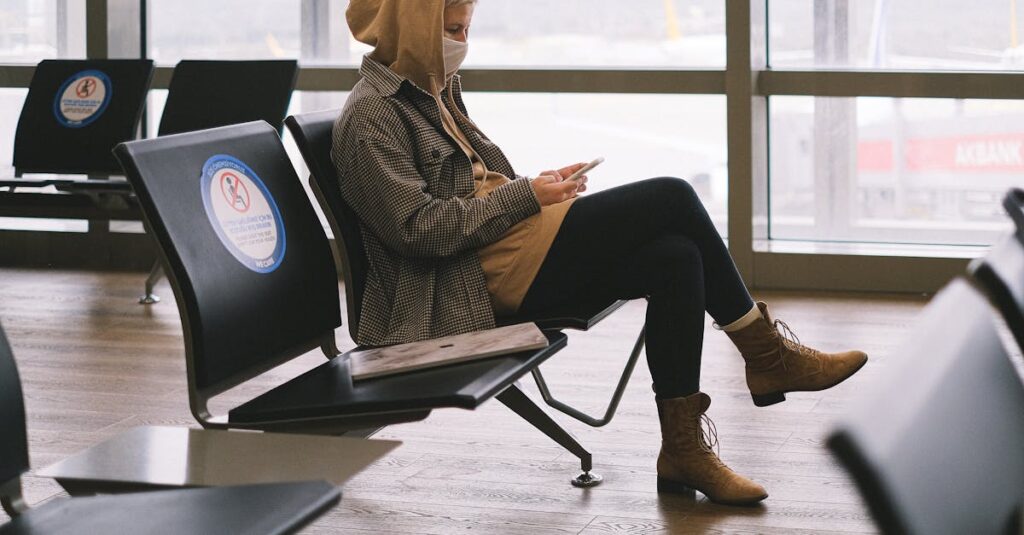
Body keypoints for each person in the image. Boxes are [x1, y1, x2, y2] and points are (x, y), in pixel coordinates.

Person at [332, 0, 867, 506]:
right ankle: (766, 356)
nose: (461, 42)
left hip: (505, 249)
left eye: (466, 28)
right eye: (451, 30)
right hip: (468, 283)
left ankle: (684, 452)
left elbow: (472, 189)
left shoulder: (431, 90)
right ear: (412, 27)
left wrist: (538, 189)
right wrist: (527, 197)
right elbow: (417, 230)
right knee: (672, 196)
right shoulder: (371, 117)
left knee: (677, 257)